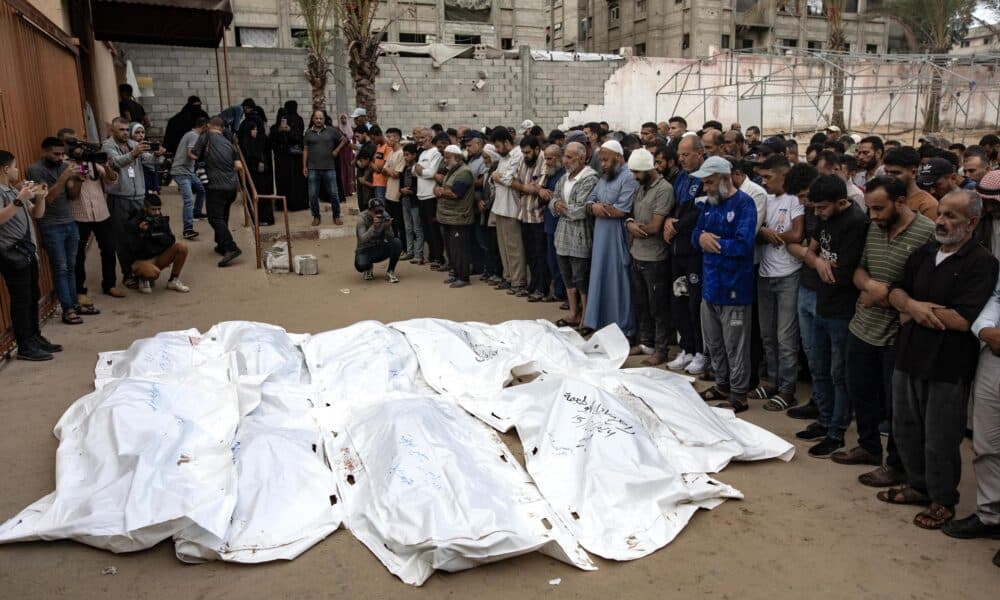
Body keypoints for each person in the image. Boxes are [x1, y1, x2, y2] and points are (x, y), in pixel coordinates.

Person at [879, 190, 998, 530]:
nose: (941, 221)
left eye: (951, 217)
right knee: (906, 427)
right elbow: (896, 291)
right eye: (941, 213)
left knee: (940, 436)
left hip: (948, 364)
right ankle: (918, 486)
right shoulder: (925, 253)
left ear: (972, 223)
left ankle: (943, 500)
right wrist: (914, 307)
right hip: (909, 354)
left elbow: (963, 319)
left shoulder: (981, 262)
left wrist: (911, 308)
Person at [832, 176, 935, 486]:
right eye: (870, 209)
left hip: (898, 335)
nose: (873, 216)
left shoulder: (926, 234)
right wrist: (870, 286)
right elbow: (859, 270)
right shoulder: (873, 228)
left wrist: (886, 295)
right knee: (861, 392)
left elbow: (927, 287)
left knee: (897, 405)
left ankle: (896, 464)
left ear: (900, 203)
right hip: (863, 326)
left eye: (879, 209)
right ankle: (867, 446)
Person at [791, 175, 869, 457]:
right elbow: (810, 252)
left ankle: (836, 431)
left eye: (822, 208)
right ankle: (823, 420)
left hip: (842, 310)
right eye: (814, 208)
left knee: (839, 374)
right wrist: (819, 261)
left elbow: (843, 272)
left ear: (842, 201)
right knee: (819, 367)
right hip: (821, 302)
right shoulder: (823, 216)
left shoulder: (856, 223)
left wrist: (819, 261)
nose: (817, 213)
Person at [691, 156, 758, 413]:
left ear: (724, 178)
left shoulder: (744, 204)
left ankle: (738, 395)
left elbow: (744, 244)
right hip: (711, 286)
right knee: (714, 343)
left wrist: (714, 244)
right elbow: (695, 234)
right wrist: (702, 238)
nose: (705, 188)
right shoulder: (709, 204)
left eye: (709, 182)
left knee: (735, 345)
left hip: (734, 287)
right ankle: (721, 384)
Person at [948, 233, 1000, 543]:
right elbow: (996, 296)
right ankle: (990, 515)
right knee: (987, 441)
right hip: (994, 349)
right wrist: (986, 329)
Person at [755, 154, 805, 411]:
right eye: (762, 178)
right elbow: (756, 230)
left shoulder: (795, 200)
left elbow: (797, 234)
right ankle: (771, 381)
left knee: (786, 337)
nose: (764, 183)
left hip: (788, 275)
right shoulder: (764, 199)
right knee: (768, 334)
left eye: (768, 177)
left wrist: (770, 234)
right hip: (765, 274)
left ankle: (788, 389)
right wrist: (764, 233)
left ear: (783, 175)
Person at [0, 150, 61, 360]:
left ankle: (35, 337)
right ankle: (25, 345)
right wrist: (19, 199)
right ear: (6, 169)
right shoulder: (5, 193)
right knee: (21, 300)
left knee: (32, 297)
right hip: (12, 254)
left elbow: (38, 214)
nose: (18, 170)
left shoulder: (14, 190)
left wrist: (40, 197)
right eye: (15, 166)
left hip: (28, 252)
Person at [27, 137, 94, 325]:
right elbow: (47, 200)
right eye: (56, 154)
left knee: (71, 267)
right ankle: (68, 309)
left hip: (69, 222)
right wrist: (64, 178)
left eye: (62, 154)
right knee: (61, 268)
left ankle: (74, 303)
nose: (60, 157)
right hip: (51, 225)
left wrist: (79, 180)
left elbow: (72, 196)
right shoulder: (35, 170)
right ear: (44, 151)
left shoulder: (63, 166)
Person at [60, 130, 124, 306]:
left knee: (109, 249)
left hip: (101, 213)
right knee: (78, 254)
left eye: (76, 142)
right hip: (79, 216)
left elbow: (112, 181)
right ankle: (80, 291)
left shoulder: (92, 162)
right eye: (70, 143)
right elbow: (72, 195)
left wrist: (105, 164)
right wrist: (79, 174)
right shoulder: (65, 165)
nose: (75, 146)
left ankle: (109, 284)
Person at [584, 140, 638, 337]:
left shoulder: (628, 177)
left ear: (619, 157)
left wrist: (599, 208)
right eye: (602, 160)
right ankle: (601, 323)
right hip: (601, 235)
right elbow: (590, 200)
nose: (603, 164)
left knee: (618, 280)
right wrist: (594, 207)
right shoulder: (605, 177)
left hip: (617, 235)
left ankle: (624, 328)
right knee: (600, 276)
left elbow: (622, 210)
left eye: (607, 160)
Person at [626, 148, 674, 366]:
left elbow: (655, 226)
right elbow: (630, 215)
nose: (634, 177)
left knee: (658, 307)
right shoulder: (641, 187)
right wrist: (630, 224)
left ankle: (661, 349)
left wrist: (635, 227)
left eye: (637, 172)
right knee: (642, 304)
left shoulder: (664, 189)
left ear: (647, 169)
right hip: (638, 254)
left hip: (655, 257)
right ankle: (646, 343)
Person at [665, 135, 708, 375]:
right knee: (677, 298)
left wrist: (677, 224)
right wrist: (669, 221)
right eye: (680, 154)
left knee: (694, 302)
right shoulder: (681, 177)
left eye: (686, 154)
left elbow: (698, 212)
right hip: (676, 248)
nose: (681, 159)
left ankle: (701, 351)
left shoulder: (706, 178)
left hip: (694, 249)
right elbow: (674, 206)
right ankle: (687, 348)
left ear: (699, 153)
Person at [552, 142, 599, 329]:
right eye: (565, 156)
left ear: (581, 158)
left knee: (581, 277)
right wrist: (556, 205)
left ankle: (586, 316)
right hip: (562, 233)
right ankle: (573, 312)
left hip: (580, 234)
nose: (566, 160)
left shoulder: (589, 178)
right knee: (567, 275)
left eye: (570, 157)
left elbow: (581, 209)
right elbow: (553, 199)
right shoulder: (564, 178)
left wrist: (562, 207)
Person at [103, 117, 152, 288]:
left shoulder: (132, 143)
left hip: (138, 197)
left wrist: (156, 154)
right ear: (113, 131)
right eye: (121, 130)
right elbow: (115, 162)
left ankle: (142, 271)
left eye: (126, 129)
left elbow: (147, 160)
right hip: (120, 198)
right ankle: (128, 274)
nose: (124, 133)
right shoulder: (108, 146)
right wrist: (134, 153)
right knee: (123, 238)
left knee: (141, 235)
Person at [192, 117, 244, 267]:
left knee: (214, 218)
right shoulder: (229, 143)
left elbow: (194, 155)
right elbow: (239, 166)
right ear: (221, 128)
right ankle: (221, 245)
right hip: (231, 187)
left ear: (209, 126)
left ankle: (231, 247)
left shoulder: (205, 136)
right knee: (223, 217)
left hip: (216, 187)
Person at [125, 194, 190, 294]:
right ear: (145, 208)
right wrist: (142, 232)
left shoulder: (160, 219)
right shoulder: (135, 222)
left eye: (159, 209)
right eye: (153, 209)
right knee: (153, 273)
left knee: (182, 248)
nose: (157, 212)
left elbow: (171, 240)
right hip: (142, 260)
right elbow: (133, 249)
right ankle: (142, 279)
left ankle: (173, 280)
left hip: (158, 257)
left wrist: (157, 234)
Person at [489, 128, 526, 293]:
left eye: (498, 146)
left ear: (506, 142)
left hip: (512, 207)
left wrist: (498, 177)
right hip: (500, 206)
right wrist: (498, 177)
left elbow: (509, 178)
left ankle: (518, 281)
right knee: (503, 246)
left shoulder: (518, 155)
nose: (496, 150)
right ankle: (508, 277)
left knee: (514, 247)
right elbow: (495, 177)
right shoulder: (503, 158)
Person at [435, 145, 476, 288]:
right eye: (444, 157)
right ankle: (456, 273)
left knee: (459, 249)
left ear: (457, 158)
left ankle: (463, 277)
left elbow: (456, 193)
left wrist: (440, 190)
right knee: (452, 248)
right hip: (448, 216)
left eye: (448, 157)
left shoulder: (464, 172)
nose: (445, 160)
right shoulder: (452, 171)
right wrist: (440, 190)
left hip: (459, 217)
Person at [513, 136, 548, 301]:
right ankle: (533, 285)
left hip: (538, 216)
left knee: (540, 255)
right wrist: (524, 187)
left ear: (536, 149)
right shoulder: (523, 160)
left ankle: (542, 288)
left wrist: (523, 187)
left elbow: (538, 188)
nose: (525, 155)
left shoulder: (544, 161)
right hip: (524, 215)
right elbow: (513, 181)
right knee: (530, 254)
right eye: (523, 152)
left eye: (527, 152)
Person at [303, 109, 346, 226]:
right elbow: (305, 150)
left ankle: (336, 216)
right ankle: (316, 216)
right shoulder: (308, 133)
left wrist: (337, 150)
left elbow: (344, 139)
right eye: (316, 118)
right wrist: (304, 166)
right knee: (312, 194)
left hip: (329, 168)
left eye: (321, 118)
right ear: (313, 119)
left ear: (324, 119)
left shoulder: (332, 131)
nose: (318, 120)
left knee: (334, 194)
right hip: (313, 168)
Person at [171, 116, 208, 239]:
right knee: (188, 200)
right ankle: (188, 229)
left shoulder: (191, 134)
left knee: (201, 190)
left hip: (189, 172)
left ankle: (196, 213)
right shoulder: (193, 136)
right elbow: (191, 154)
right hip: (181, 172)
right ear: (203, 127)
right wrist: (205, 158)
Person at [414, 128, 445, 267]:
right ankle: (432, 255)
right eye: (419, 138)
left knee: (434, 229)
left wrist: (421, 171)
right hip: (421, 195)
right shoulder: (422, 153)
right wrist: (420, 171)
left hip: (431, 195)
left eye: (423, 137)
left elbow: (432, 172)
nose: (420, 140)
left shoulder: (435, 153)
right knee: (426, 229)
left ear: (430, 138)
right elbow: (414, 171)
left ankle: (439, 257)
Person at [539, 144, 566, 303]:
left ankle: (563, 293)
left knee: (561, 262)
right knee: (552, 260)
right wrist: (540, 191)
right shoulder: (549, 174)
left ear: (558, 158)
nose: (547, 162)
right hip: (549, 223)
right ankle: (557, 290)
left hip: (560, 224)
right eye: (545, 158)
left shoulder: (563, 175)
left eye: (549, 158)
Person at [269, 101, 308, 212]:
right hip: (286, 157)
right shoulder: (278, 126)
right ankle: (289, 203)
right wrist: (280, 131)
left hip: (293, 156)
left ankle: (293, 203)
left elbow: (299, 137)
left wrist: (289, 130)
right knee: (289, 180)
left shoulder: (297, 121)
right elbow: (273, 140)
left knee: (293, 180)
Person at [238, 108, 274, 226]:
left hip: (262, 175)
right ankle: (256, 218)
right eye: (253, 129)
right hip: (253, 173)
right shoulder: (246, 143)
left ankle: (264, 218)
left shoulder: (260, 140)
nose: (255, 131)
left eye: (256, 129)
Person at [883, 146, 939, 220]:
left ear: (913, 172)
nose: (888, 177)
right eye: (886, 172)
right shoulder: (885, 197)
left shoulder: (927, 205)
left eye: (895, 173)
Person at [355, 198, 401, 283]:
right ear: (369, 211)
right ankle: (368, 268)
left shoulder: (385, 216)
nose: (379, 214)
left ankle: (390, 271)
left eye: (380, 211)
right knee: (361, 265)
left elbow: (391, 238)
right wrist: (374, 227)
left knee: (396, 242)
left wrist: (387, 228)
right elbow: (362, 240)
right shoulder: (362, 219)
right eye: (376, 211)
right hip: (365, 249)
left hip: (379, 247)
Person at [399, 143, 424, 263]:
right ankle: (410, 252)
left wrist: (409, 191)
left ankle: (419, 254)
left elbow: (419, 186)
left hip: (415, 202)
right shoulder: (405, 168)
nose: (405, 157)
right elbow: (401, 183)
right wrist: (402, 190)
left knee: (417, 228)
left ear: (414, 155)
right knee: (408, 227)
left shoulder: (417, 168)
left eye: (407, 155)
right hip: (405, 201)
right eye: (404, 155)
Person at [382, 127, 406, 241]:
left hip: (397, 194)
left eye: (389, 136)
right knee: (390, 220)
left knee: (398, 222)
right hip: (389, 193)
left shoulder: (401, 154)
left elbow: (397, 174)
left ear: (396, 138)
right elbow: (383, 170)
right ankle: (393, 242)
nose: (387, 139)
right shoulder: (391, 152)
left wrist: (388, 170)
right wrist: (389, 170)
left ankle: (402, 245)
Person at [130, 123, 162, 195]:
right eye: (137, 132)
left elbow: (150, 159)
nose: (141, 135)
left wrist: (156, 154)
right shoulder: (130, 146)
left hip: (151, 172)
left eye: (143, 132)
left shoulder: (146, 144)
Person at [337, 113, 357, 200]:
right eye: (341, 118)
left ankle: (350, 189)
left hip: (349, 152)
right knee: (342, 169)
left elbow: (354, 141)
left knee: (349, 169)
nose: (343, 120)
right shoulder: (337, 129)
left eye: (344, 118)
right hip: (341, 152)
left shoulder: (352, 129)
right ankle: (343, 190)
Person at [370, 125, 391, 203]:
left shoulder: (388, 147)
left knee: (381, 207)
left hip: (383, 182)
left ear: (379, 135)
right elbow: (374, 161)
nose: (373, 141)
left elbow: (381, 169)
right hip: (376, 181)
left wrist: (369, 163)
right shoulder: (379, 146)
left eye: (373, 138)